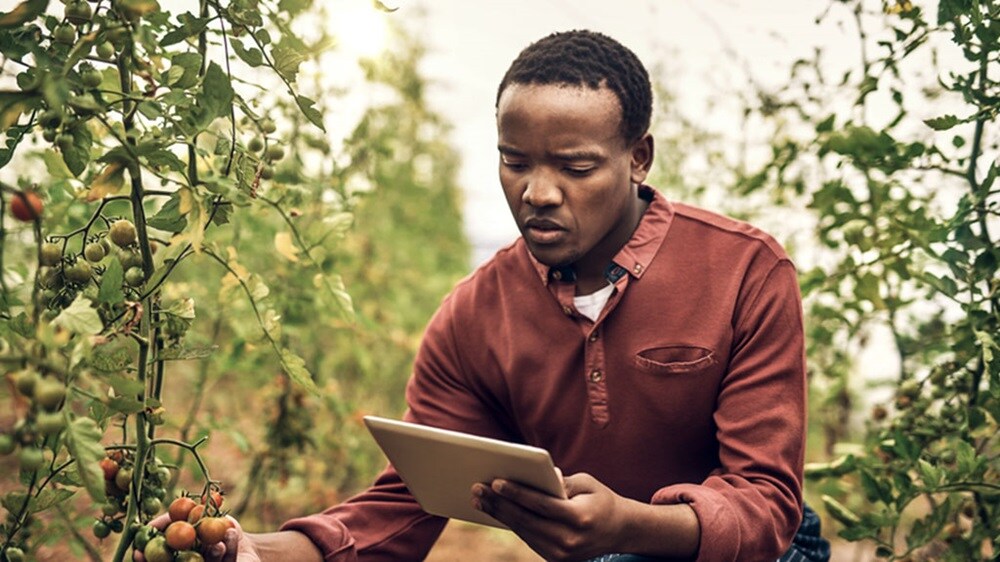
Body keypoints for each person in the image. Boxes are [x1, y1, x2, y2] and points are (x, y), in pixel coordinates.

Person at [193, 30, 831, 562]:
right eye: (515, 161)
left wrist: (628, 527)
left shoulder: (746, 271)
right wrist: (257, 549)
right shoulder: (476, 315)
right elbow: (404, 507)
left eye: (575, 168)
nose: (538, 192)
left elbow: (765, 502)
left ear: (639, 158)